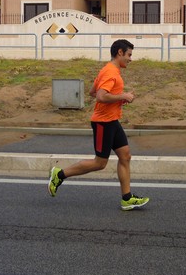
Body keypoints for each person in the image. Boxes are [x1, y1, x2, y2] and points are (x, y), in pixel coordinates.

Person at [48, 39, 149, 211]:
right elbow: (101, 96)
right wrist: (123, 96)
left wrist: (117, 100)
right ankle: (59, 174)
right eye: (129, 55)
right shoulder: (110, 72)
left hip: (112, 120)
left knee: (125, 155)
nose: (130, 59)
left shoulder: (108, 70)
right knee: (100, 163)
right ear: (120, 53)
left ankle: (127, 198)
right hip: (103, 123)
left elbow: (93, 91)